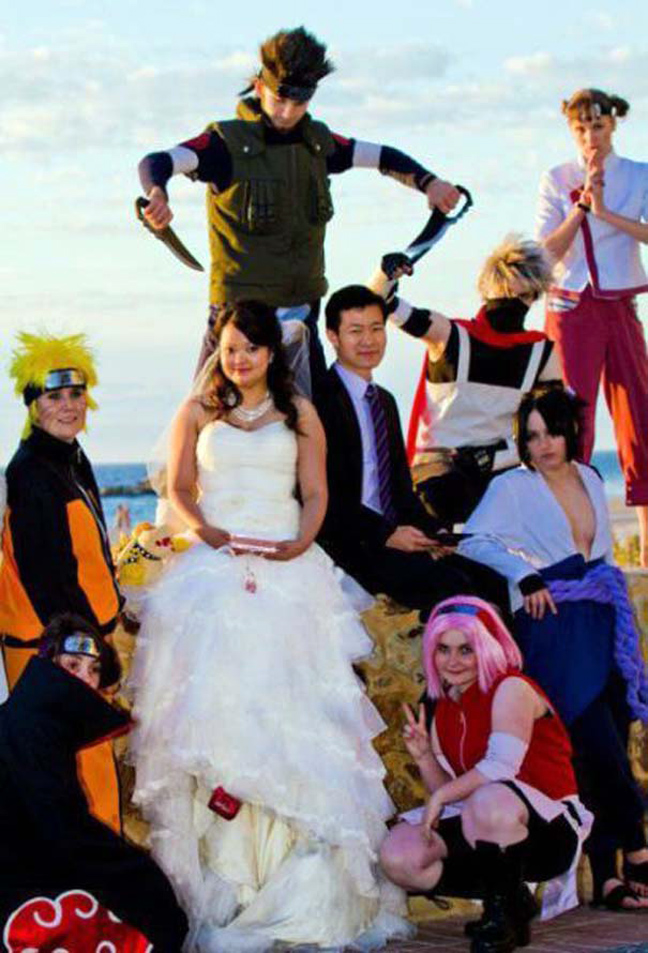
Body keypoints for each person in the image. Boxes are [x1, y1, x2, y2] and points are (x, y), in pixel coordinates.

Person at [128, 301, 411, 950]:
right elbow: (180, 489)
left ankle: (298, 885)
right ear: (219, 350)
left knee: (296, 716)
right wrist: (210, 535)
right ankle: (232, 886)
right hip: (216, 568)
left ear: (270, 354)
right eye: (230, 348)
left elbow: (317, 493)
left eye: (251, 349)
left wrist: (300, 541)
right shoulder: (198, 411)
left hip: (287, 567)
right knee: (220, 716)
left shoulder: (299, 412)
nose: (240, 359)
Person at [138, 25, 461, 392]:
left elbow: (383, 157)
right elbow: (158, 161)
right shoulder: (224, 144)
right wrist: (157, 193)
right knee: (206, 414)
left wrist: (430, 183)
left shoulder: (318, 144)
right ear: (259, 87)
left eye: (300, 103)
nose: (288, 112)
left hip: (301, 317)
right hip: (237, 322)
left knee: (319, 419)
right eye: (280, 99)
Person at [458, 387, 648, 911]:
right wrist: (524, 574)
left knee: (609, 740)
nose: (543, 445)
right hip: (553, 627)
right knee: (594, 746)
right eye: (532, 436)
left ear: (571, 432)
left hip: (601, 621)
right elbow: (474, 540)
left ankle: (606, 878)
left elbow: (600, 554)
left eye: (552, 433)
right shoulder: (512, 486)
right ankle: (637, 848)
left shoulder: (591, 476)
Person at [379, 597, 592, 953]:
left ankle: (500, 920)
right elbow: (454, 791)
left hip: (549, 832)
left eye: (466, 649)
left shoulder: (512, 688)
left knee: (489, 798)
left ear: (488, 648)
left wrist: (439, 798)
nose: (453, 661)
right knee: (399, 855)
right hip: (485, 825)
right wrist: (425, 757)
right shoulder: (444, 705)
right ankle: (510, 899)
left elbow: (499, 767)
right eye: (443, 649)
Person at [315, 284, 510, 618]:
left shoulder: (385, 402)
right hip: (350, 541)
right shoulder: (320, 401)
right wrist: (387, 535)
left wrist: (434, 535)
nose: (368, 340)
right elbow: (328, 495)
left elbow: (400, 489)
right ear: (333, 336)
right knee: (456, 588)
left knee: (495, 582)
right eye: (355, 331)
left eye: (377, 329)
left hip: (396, 536)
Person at [0, 613, 188, 952]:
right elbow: (65, 830)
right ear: (49, 664)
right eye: (73, 665)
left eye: (94, 669)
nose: (85, 679)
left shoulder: (30, 717)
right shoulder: (33, 728)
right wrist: (140, 875)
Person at [0, 332, 123, 832]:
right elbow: (46, 579)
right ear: (33, 405)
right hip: (53, 651)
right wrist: (81, 654)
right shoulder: (31, 473)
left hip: (77, 642)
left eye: (76, 394)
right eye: (54, 396)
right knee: (73, 787)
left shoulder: (70, 458)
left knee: (92, 780)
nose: (68, 406)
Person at [370, 236, 562, 526]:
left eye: (523, 295)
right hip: (440, 469)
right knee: (448, 499)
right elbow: (377, 305)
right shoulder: (450, 334)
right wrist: (384, 275)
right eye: (507, 291)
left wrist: (495, 456)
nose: (514, 301)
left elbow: (558, 426)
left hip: (500, 468)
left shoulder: (540, 352)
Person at [535, 87, 648, 565]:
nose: (590, 137)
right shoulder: (557, 177)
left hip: (619, 304)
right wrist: (581, 208)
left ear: (613, 125)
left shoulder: (638, 175)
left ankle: (645, 549)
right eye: (581, 128)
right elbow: (544, 253)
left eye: (598, 126)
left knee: (639, 418)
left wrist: (606, 214)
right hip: (569, 309)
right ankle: (575, 546)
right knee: (570, 420)